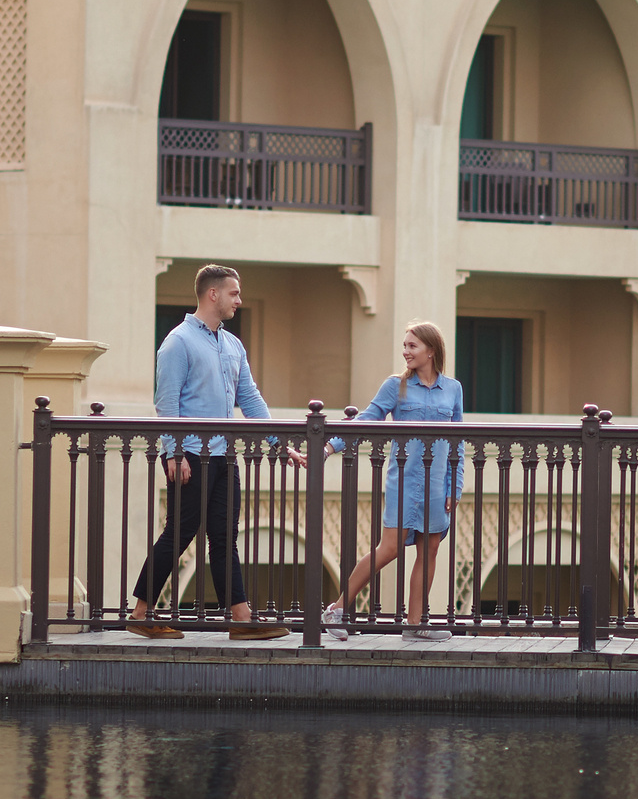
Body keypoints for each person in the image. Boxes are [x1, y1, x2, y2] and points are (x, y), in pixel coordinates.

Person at [129, 264, 302, 641]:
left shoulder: (232, 344)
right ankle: (141, 612)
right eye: (234, 294)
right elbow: (166, 402)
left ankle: (241, 619)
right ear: (212, 294)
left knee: (225, 538)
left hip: (224, 456)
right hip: (188, 454)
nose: (239, 300)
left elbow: (250, 398)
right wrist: (174, 454)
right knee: (178, 535)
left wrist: (279, 443)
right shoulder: (177, 342)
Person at [324, 319, 465, 641]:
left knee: (429, 550)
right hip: (404, 479)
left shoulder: (453, 389)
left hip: (437, 483)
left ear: (431, 351)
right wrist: (330, 446)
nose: (406, 352)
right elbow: (366, 420)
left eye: (412, 346)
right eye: (405, 346)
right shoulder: (395, 386)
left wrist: (454, 487)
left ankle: (415, 625)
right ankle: (337, 609)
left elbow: (458, 442)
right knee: (388, 549)